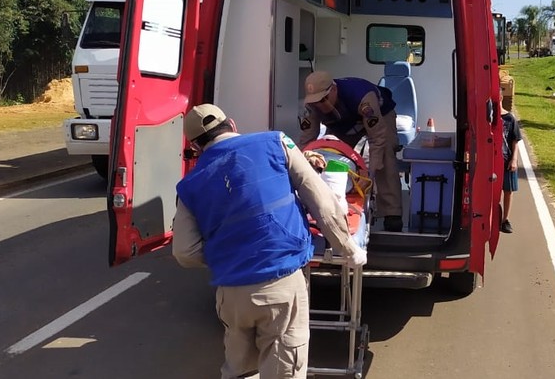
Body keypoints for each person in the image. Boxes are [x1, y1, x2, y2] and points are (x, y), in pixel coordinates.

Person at [172, 103, 367, 379]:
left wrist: (229, 252)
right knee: (283, 371)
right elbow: (322, 203)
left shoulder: (189, 186)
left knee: (241, 371)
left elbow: (184, 252)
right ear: (233, 124)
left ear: (195, 146)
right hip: (281, 285)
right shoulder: (276, 142)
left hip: (232, 294)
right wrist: (348, 250)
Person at [298, 71, 404, 232]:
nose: (320, 104)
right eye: (315, 101)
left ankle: (392, 212)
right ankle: (336, 201)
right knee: (331, 157)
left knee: (385, 155)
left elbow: (378, 139)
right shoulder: (312, 106)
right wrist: (299, 165)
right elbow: (307, 140)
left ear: (333, 89)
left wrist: (369, 173)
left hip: (380, 116)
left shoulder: (362, 97)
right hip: (343, 124)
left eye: (323, 99)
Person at [500, 96, 522, 234]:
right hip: (492, 162)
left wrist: (514, 160)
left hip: (506, 160)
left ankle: (505, 219)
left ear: (501, 98)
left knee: (508, 191)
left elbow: (515, 142)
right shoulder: (488, 118)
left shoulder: (510, 118)